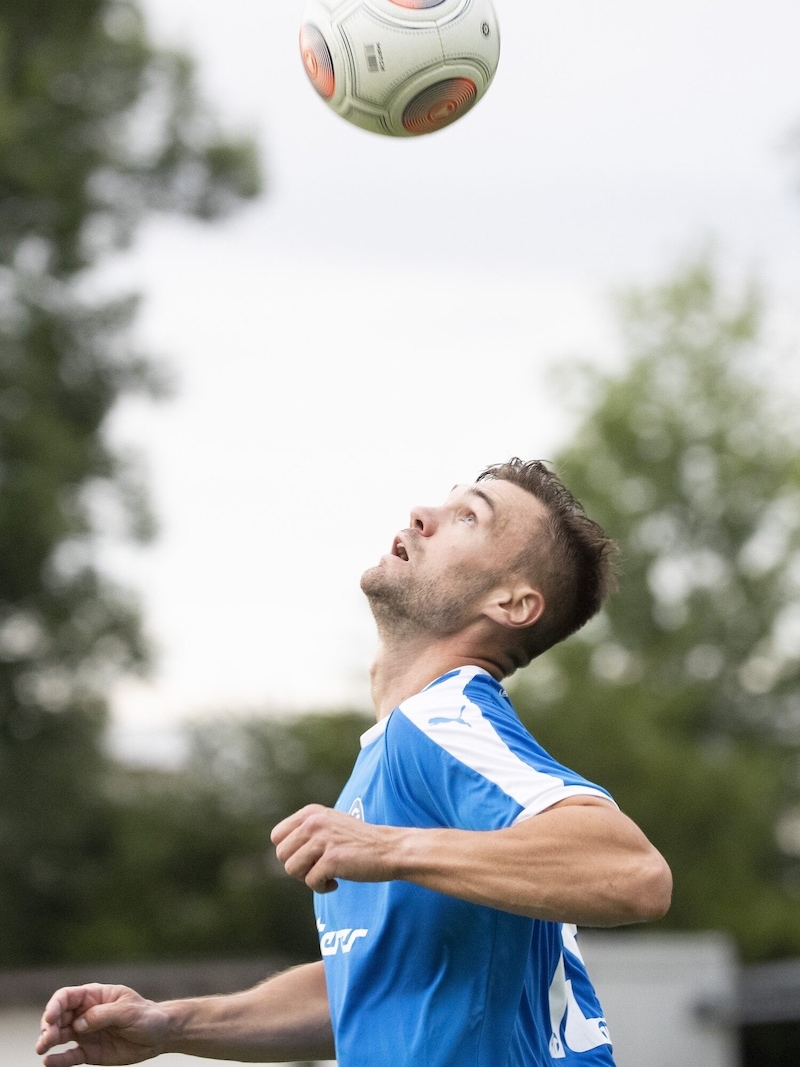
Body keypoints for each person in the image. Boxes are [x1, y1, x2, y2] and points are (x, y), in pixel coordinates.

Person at [37, 458, 672, 1067]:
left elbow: (634, 873)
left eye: (469, 517)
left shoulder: (447, 719)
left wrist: (392, 847)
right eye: (443, 503)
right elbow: (371, 979)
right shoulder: (400, 750)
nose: (422, 513)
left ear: (511, 603)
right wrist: (171, 1024)